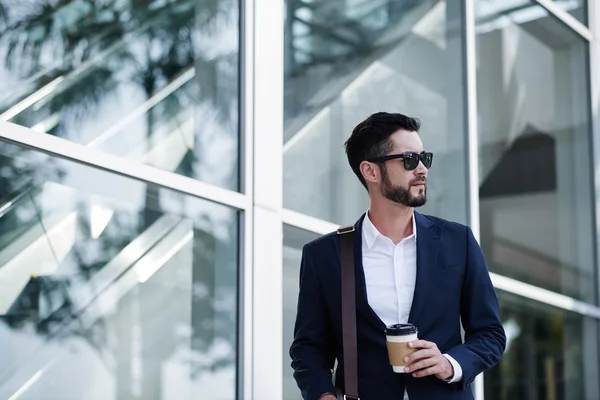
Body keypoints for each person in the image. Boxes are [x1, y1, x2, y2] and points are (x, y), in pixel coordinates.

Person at [289, 112, 506, 400]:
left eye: (424, 158)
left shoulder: (458, 242)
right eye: (409, 160)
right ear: (371, 171)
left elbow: (490, 334)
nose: (422, 169)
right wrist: (324, 396)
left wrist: (449, 363)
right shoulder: (325, 256)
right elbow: (308, 348)